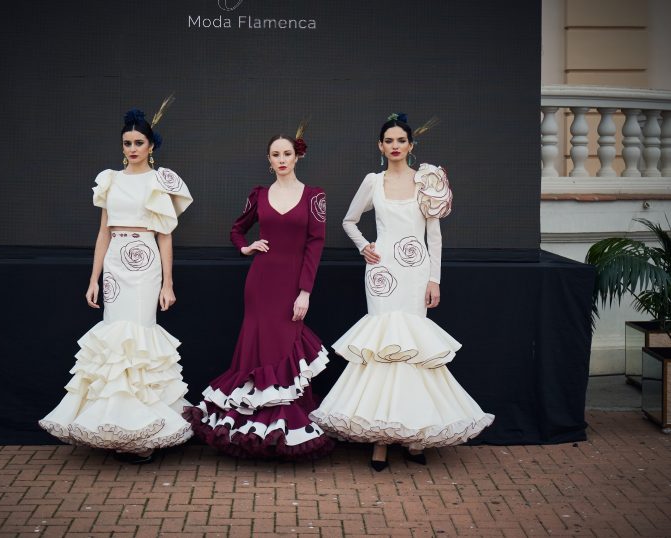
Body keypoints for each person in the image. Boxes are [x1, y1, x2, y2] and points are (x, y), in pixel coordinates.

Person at [310, 113, 494, 471]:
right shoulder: (372, 182)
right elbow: (348, 221)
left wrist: (434, 280)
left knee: (413, 352)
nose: (395, 146)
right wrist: (365, 246)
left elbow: (435, 237)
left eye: (401, 141)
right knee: (382, 351)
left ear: (411, 145)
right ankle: (380, 438)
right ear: (380, 147)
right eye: (388, 141)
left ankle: (413, 436)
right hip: (382, 275)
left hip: (415, 274)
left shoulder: (427, 181)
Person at [39, 98, 194, 463]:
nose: (133, 149)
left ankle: (143, 432)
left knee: (138, 341)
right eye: (127, 143)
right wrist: (93, 278)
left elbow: (165, 235)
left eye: (139, 142)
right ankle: (114, 426)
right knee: (113, 342)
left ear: (151, 145)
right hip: (114, 267)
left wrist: (167, 283)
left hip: (146, 264)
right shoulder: (109, 180)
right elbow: (103, 233)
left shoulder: (161, 181)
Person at [184, 124, 334, 459]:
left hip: (291, 287)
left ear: (297, 157)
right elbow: (237, 230)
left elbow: (316, 244)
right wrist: (246, 248)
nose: (282, 159)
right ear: (269, 160)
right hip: (260, 283)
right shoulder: (259, 196)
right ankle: (252, 432)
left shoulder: (314, 196)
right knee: (257, 352)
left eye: (287, 154)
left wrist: (305, 292)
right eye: (276, 154)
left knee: (285, 352)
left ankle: (286, 432)